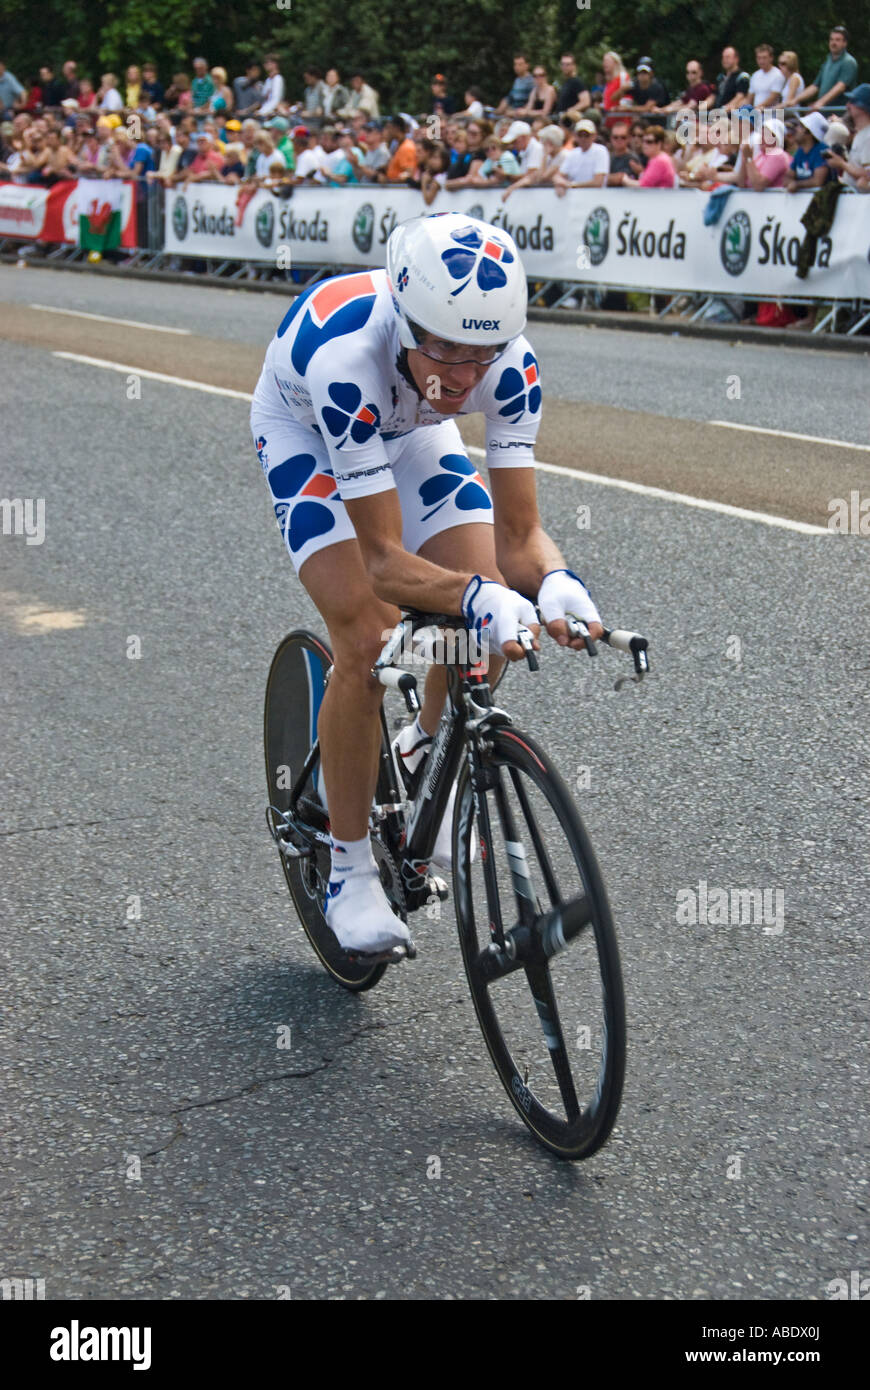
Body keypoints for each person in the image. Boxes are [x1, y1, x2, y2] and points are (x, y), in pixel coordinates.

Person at [249, 212, 603, 957]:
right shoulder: (349, 357)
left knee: (497, 617)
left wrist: (558, 579)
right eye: (443, 347)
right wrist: (479, 596)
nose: (462, 376)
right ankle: (348, 872)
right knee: (370, 637)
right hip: (313, 432)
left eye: (482, 355)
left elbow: (519, 539)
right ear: (406, 322)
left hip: (408, 435)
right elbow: (381, 560)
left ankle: (421, 751)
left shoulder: (511, 368)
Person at [796, 25, 858, 111]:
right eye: (831, 39)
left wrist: (821, 102)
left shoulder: (848, 62)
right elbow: (815, 86)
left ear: (845, 43)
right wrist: (794, 101)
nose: (833, 43)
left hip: (839, 113)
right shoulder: (827, 61)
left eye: (837, 40)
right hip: (824, 111)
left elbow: (840, 87)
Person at [824, 84, 870, 191]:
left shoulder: (868, 136)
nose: (847, 105)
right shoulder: (861, 134)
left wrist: (841, 163)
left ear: (862, 107)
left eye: (852, 102)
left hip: (859, 203)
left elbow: (867, 174)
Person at [553, 119, 609, 193]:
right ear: (575, 136)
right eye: (580, 135)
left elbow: (598, 182)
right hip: (576, 197)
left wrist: (571, 185)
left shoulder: (601, 151)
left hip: (596, 197)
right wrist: (561, 183)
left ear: (594, 136)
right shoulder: (573, 153)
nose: (583, 138)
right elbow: (557, 176)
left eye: (586, 135)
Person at [736, 118, 791, 189]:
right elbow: (741, 183)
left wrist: (749, 158)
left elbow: (758, 185)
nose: (762, 138)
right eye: (761, 135)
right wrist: (745, 158)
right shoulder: (761, 155)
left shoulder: (778, 154)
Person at [785, 111, 831, 190]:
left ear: (809, 132)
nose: (796, 129)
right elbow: (787, 177)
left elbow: (817, 182)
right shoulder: (800, 151)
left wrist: (796, 184)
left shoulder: (822, 151)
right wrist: (791, 182)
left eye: (800, 126)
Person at [708, 47, 750, 111]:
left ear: (736, 59)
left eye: (727, 57)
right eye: (723, 57)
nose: (724, 60)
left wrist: (722, 110)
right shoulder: (720, 77)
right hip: (715, 114)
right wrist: (701, 107)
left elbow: (739, 97)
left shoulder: (743, 76)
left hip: (730, 116)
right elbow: (713, 97)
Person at [749, 44, 783, 109]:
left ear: (771, 58)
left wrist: (756, 108)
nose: (761, 61)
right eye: (759, 58)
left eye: (764, 58)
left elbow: (773, 97)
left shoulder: (778, 75)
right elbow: (750, 97)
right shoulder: (755, 75)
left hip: (772, 114)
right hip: (757, 113)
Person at [555, 53, 590, 117]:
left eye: (568, 64)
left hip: (570, 122)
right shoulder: (566, 83)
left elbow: (586, 102)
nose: (564, 67)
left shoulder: (576, 82)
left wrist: (569, 112)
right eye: (562, 64)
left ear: (574, 66)